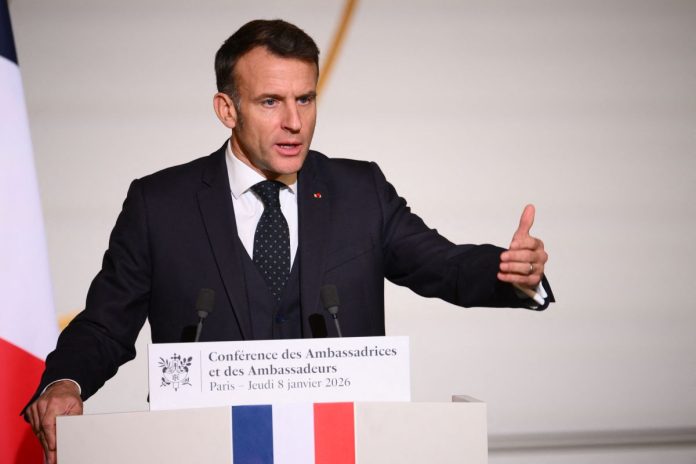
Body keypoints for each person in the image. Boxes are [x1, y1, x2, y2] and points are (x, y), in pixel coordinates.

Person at [24, 19, 553, 463]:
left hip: (345, 449)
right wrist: (64, 383)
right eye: (270, 102)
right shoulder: (159, 204)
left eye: (305, 99)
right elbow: (105, 325)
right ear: (227, 109)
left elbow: (445, 266)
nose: (294, 122)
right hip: (206, 450)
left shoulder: (360, 191)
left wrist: (511, 272)